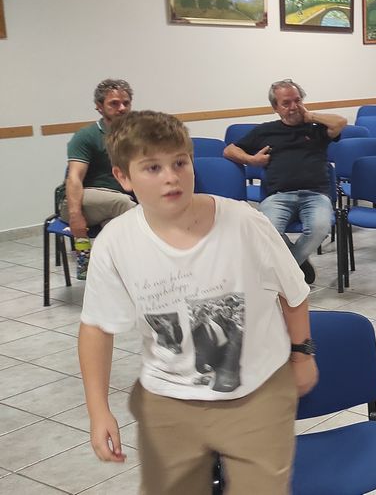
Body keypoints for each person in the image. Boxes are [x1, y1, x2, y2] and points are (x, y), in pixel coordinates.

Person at [78, 111, 317, 494]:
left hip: (257, 395)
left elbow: (294, 293)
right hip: (168, 402)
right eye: (152, 168)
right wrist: (98, 409)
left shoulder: (245, 222)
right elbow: (96, 328)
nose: (171, 177)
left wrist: (302, 355)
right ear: (123, 177)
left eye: (180, 163)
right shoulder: (115, 242)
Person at [224, 79, 347, 285]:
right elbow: (229, 150)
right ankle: (298, 263)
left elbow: (340, 122)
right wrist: (252, 160)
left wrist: (310, 116)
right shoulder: (265, 131)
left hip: (316, 195)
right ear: (275, 108)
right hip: (279, 196)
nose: (293, 107)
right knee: (265, 230)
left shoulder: (316, 129)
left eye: (297, 101)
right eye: (286, 103)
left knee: (319, 228)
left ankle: (288, 271)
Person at [60, 79, 138, 279]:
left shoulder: (137, 134)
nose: (122, 108)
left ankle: (107, 270)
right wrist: (75, 215)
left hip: (116, 202)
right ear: (99, 106)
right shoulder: (86, 136)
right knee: (126, 206)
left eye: (126, 103)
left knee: (115, 225)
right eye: (114, 103)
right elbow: (74, 178)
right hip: (82, 200)